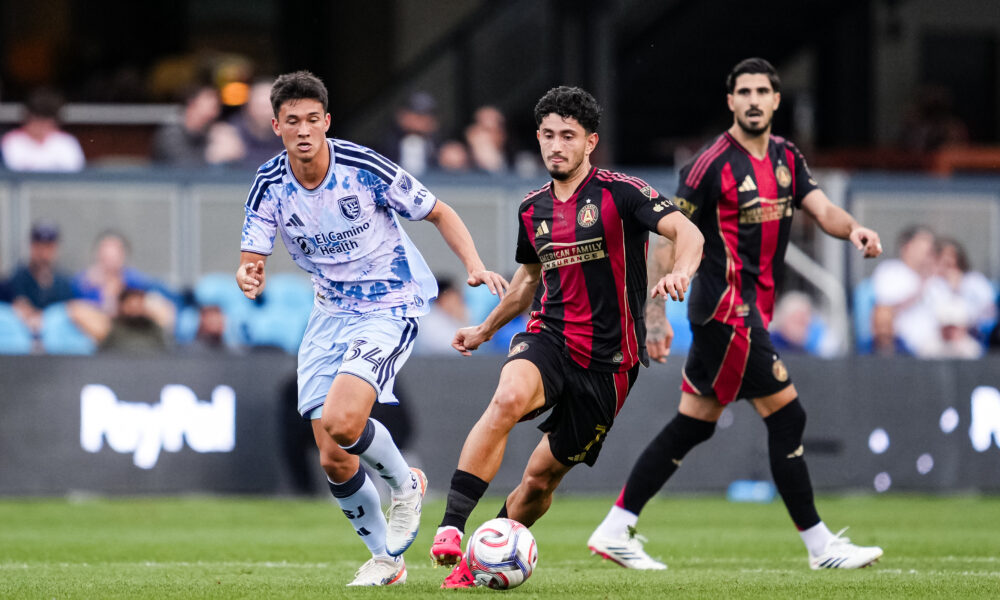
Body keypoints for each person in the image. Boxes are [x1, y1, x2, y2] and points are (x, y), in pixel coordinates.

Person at [587, 58, 885, 572]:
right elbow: (668, 235)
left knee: (692, 425)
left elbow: (821, 209)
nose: (752, 99)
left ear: (774, 100)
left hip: (751, 313)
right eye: (742, 90)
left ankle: (614, 529)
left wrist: (854, 229)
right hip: (725, 310)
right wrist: (653, 317)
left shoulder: (788, 157)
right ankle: (820, 547)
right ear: (730, 101)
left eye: (762, 91)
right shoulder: (709, 165)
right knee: (788, 416)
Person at [234, 71, 507, 587]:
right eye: (292, 121)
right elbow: (252, 253)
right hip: (328, 314)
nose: (304, 130)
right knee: (334, 457)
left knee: (342, 421)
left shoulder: (362, 167)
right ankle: (387, 558)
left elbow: (438, 211)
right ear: (276, 126)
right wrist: (249, 272)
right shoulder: (269, 184)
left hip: (390, 302)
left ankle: (406, 485)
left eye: (313, 119)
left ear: (327, 121)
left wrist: (471, 263)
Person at [428, 86, 704, 588]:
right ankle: (451, 526)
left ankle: (481, 559)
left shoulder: (623, 192)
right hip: (549, 337)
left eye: (569, 136)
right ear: (538, 138)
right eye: (549, 135)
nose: (557, 145)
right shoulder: (531, 209)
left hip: (611, 364)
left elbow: (689, 234)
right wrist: (485, 329)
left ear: (590, 142)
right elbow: (528, 283)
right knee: (508, 397)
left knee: (539, 481)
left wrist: (681, 272)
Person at [871, 225, 939, 357]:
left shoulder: (937, 279)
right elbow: (884, 313)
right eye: (923, 244)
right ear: (907, 246)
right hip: (902, 348)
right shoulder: (890, 271)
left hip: (938, 347)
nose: (928, 250)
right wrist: (921, 287)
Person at [4, 221, 77, 336]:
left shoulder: (63, 282)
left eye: (49, 247)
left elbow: (69, 311)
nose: (43, 254)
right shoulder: (18, 278)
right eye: (39, 247)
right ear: (32, 247)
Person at [1, 88, 85, 172]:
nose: (40, 126)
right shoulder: (11, 141)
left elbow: (76, 176)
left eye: (46, 121)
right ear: (27, 118)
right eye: (36, 120)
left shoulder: (66, 142)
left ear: (55, 122)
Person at [151, 84, 222, 166]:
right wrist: (212, 156)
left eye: (216, 108)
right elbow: (184, 167)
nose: (214, 114)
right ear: (192, 104)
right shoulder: (170, 132)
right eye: (211, 107)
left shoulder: (207, 133)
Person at [98, 288, 170, 354]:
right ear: (122, 307)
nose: (135, 311)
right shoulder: (113, 328)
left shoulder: (154, 328)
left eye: (138, 306)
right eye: (131, 307)